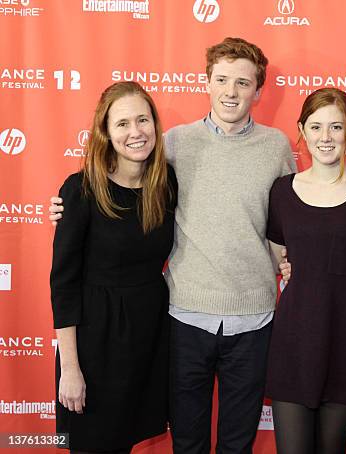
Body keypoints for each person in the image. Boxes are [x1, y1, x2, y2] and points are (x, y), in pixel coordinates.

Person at [50, 37, 296, 453]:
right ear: (207, 82)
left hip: (252, 318)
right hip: (184, 318)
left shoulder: (276, 147)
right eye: (221, 80)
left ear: (258, 89)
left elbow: (295, 209)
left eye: (242, 82)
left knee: (237, 441)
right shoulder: (175, 145)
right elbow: (111, 183)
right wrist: (66, 205)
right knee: (186, 440)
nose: (231, 91)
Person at [50, 81, 177, 453]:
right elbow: (63, 284)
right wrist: (70, 369)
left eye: (143, 120)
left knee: (125, 442)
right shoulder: (80, 190)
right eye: (122, 123)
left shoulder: (166, 183)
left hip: (149, 335)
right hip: (94, 342)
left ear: (155, 124)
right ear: (105, 132)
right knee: (92, 442)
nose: (135, 132)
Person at [266, 88, 346, 454]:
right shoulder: (282, 192)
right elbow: (278, 251)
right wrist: (285, 268)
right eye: (315, 127)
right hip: (293, 342)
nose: (325, 137)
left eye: (335, 127)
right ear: (301, 130)